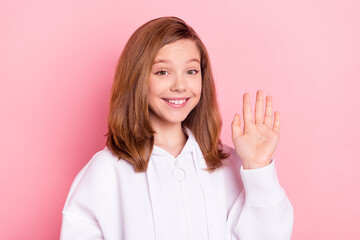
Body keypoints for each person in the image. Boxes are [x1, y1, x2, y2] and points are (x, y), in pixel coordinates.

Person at [60, 16, 294, 240]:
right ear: (138, 78)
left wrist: (258, 167)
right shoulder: (105, 172)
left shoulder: (227, 164)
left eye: (191, 71)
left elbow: (271, 235)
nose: (180, 86)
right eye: (163, 72)